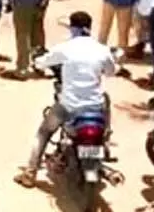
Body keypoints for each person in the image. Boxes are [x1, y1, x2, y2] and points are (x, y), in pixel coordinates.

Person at [14, 11, 116, 188]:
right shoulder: (102, 50)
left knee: (44, 132)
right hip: (94, 106)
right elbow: (111, 71)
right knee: (105, 102)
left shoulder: (65, 48)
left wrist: (37, 60)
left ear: (74, 29)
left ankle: (30, 173)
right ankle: (105, 140)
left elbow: (41, 62)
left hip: (69, 106)